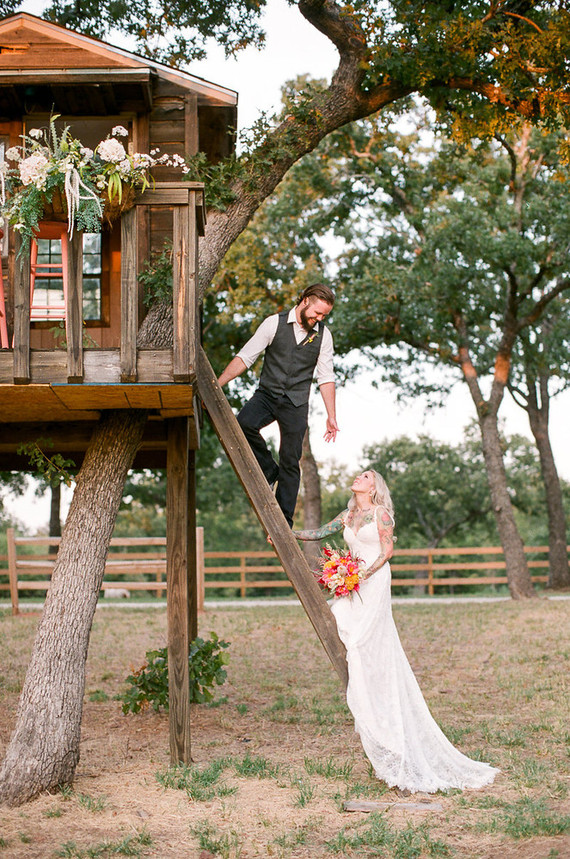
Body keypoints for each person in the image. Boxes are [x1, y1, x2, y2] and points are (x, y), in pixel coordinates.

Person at [293, 470, 499, 794]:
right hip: (351, 583)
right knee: (339, 619)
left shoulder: (381, 514)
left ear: (374, 487)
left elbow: (387, 551)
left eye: (365, 476)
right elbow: (318, 532)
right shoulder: (347, 515)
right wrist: (287, 533)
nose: (358, 477)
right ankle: (368, 700)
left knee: (365, 642)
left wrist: (362, 574)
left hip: (372, 581)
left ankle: (377, 705)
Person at [217, 284, 338, 527]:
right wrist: (217, 384)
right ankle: (269, 470)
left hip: (296, 403)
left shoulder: (324, 335)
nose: (319, 319)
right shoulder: (273, 323)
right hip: (268, 394)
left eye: (324, 315)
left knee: (291, 460)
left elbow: (326, 377)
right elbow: (245, 357)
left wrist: (331, 415)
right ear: (305, 300)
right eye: (317, 313)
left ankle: (284, 521)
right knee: (243, 424)